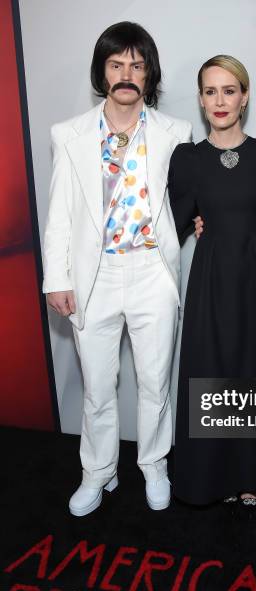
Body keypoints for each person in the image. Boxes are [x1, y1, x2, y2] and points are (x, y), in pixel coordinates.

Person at [42, 22, 191, 516]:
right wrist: (57, 279)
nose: (126, 74)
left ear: (149, 75)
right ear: (102, 72)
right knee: (98, 388)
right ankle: (98, 472)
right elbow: (59, 213)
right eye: (116, 64)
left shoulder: (176, 134)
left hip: (152, 272)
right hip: (95, 276)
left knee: (154, 382)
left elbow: (191, 198)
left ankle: (153, 465)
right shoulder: (69, 135)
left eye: (137, 64)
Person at [168, 55, 256, 506]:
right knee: (215, 373)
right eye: (210, 91)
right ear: (201, 101)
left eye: (229, 90)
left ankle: (253, 477)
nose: (219, 101)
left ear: (244, 98)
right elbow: (172, 224)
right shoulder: (187, 159)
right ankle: (214, 479)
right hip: (211, 283)